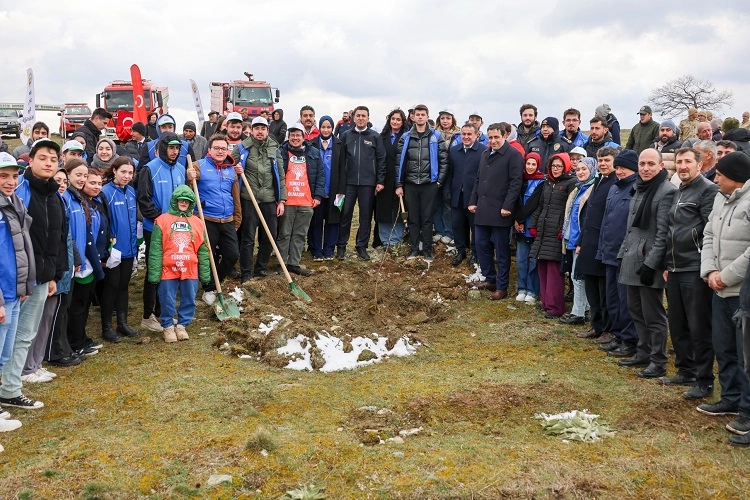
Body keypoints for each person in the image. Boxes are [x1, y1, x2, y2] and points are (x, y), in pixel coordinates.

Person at [1, 140, 68, 410]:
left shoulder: (55, 195)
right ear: (31, 161)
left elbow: (59, 237)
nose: (49, 163)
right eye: (43, 157)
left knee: (25, 335)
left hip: (41, 278)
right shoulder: (21, 190)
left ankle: (10, 389)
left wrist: (53, 275)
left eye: (53, 158)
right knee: (7, 339)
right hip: (16, 279)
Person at [698, 152, 750, 431]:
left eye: (720, 174)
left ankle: (747, 409)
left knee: (746, 355)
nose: (715, 178)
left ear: (736, 178)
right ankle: (729, 399)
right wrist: (709, 271)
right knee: (724, 348)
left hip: (743, 292)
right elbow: (708, 235)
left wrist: (726, 276)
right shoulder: (720, 197)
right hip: (718, 288)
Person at [662, 148, 719, 397]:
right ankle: (685, 370)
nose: (683, 166)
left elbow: (710, 231)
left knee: (699, 327)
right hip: (674, 267)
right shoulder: (678, 191)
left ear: (699, 164)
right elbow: (670, 230)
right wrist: (666, 262)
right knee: (677, 323)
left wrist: (707, 266)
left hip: (694, 267)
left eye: (687, 162)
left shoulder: (708, 190)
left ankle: (704, 379)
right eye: (679, 162)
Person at [617, 149, 676, 377]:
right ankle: (643, 352)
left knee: (654, 315)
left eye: (651, 163)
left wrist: (651, 264)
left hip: (649, 262)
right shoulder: (639, 188)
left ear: (661, 166)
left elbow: (663, 233)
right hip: (632, 258)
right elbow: (630, 226)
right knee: (636, 310)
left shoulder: (666, 191)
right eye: (642, 163)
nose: (645, 168)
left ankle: (658, 360)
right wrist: (623, 253)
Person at [138, 132, 198, 332]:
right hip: (155, 228)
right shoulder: (150, 169)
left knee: (170, 271)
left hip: (177, 232)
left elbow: (184, 200)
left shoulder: (181, 169)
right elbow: (144, 200)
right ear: (162, 148)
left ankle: (163, 312)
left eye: (177, 148)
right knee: (154, 270)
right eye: (171, 148)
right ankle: (148, 315)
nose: (174, 152)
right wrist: (162, 219)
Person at [468, 122, 523, 300]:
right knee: (481, 244)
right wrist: (473, 201)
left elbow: (516, 183)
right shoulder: (485, 154)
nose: (493, 140)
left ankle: (502, 286)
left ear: (504, 136)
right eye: (490, 137)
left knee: (501, 250)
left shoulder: (513, 155)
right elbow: (479, 180)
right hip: (483, 209)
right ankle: (490, 278)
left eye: (496, 137)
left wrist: (508, 206)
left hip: (501, 211)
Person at [148, 186, 210, 343]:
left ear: (192, 203)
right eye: (181, 200)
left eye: (188, 201)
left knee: (189, 297)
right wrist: (154, 274)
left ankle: (182, 325)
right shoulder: (162, 221)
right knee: (167, 298)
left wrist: (205, 274)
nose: (184, 202)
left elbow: (203, 250)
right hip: (168, 268)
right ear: (174, 201)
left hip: (190, 268)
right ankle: (168, 326)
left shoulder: (197, 223)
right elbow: (155, 249)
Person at [0, 153, 34, 436]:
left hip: (14, 291)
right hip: (2, 294)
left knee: (4, 354)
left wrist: (24, 286)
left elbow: (21, 250)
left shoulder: (15, 202)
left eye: (14, 176)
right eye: (3, 176)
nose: (10, 182)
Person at [232, 116, 285, 283]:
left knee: (271, 236)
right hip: (249, 199)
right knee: (247, 238)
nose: (260, 131)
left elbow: (281, 176)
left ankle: (260, 268)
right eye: (257, 128)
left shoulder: (275, 148)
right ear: (252, 130)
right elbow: (227, 167)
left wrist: (281, 200)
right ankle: (246, 273)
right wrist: (235, 168)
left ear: (267, 131)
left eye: (263, 128)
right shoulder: (241, 148)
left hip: (269, 199)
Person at [575, 146, 619, 339]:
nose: (602, 164)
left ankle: (609, 329)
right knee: (591, 287)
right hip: (589, 242)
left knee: (605, 291)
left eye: (606, 160)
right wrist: (581, 241)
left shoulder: (616, 183)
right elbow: (589, 214)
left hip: (605, 243)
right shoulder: (599, 180)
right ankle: (597, 325)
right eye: (600, 160)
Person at [396, 104, 448, 262]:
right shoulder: (405, 137)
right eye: (417, 114)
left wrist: (439, 182)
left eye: (422, 114)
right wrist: (399, 184)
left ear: (427, 116)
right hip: (411, 184)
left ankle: (427, 250)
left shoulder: (436, 136)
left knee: (427, 218)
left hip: (429, 184)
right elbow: (399, 163)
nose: (420, 117)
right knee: (413, 218)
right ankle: (413, 249)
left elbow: (444, 161)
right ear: (413, 117)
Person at [529, 153, 576, 317]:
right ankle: (546, 302)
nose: (555, 169)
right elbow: (541, 206)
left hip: (556, 232)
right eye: (553, 166)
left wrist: (563, 229)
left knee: (555, 271)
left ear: (566, 167)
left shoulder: (571, 183)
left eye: (559, 166)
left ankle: (556, 307)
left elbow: (569, 209)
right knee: (542, 268)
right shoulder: (547, 182)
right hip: (543, 231)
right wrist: (533, 225)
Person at [337, 106, 386, 261]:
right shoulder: (345, 135)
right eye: (358, 115)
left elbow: (381, 159)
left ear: (368, 118)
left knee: (365, 217)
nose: (360, 118)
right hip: (349, 183)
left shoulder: (375, 137)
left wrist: (380, 180)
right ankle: (341, 246)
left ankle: (361, 246)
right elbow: (340, 160)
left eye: (363, 116)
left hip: (368, 183)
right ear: (353, 118)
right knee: (345, 215)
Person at [196, 134, 241, 304]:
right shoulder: (198, 166)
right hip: (206, 218)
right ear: (209, 150)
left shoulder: (231, 169)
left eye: (224, 148)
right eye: (217, 148)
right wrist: (189, 174)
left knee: (232, 255)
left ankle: (216, 282)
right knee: (208, 256)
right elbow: (189, 186)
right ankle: (208, 289)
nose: (220, 151)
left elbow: (235, 196)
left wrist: (237, 218)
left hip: (227, 219)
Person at [99, 157, 140, 340]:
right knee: (111, 286)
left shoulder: (131, 192)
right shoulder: (106, 192)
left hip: (129, 248)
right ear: (114, 170)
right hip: (114, 249)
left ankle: (122, 323)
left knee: (124, 286)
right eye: (123, 172)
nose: (127, 176)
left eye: (130, 173)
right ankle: (107, 326)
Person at [276, 124, 325, 276]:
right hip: (287, 202)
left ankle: (294, 263)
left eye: (298, 135)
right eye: (292, 135)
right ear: (288, 137)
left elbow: (321, 175)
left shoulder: (314, 153)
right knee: (284, 234)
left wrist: (317, 196)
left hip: (306, 201)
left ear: (304, 137)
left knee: (299, 234)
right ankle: (281, 264)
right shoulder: (281, 152)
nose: (295, 138)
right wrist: (279, 199)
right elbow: (277, 176)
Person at [560, 158, 596, 325]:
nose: (580, 172)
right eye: (578, 169)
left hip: (582, 240)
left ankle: (578, 312)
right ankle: (586, 308)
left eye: (584, 169)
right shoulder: (578, 189)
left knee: (577, 276)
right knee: (577, 276)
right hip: (572, 238)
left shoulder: (592, 190)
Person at [447, 123, 487, 266]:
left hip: (474, 197)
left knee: (475, 227)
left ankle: (475, 253)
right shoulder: (453, 151)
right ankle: (461, 251)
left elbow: (484, 177)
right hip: (456, 195)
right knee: (457, 225)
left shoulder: (483, 151)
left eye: (469, 134)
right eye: (463, 134)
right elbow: (449, 174)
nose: (466, 137)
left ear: (476, 135)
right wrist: (448, 192)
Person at [308, 116, 346, 260]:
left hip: (335, 191)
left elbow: (343, 170)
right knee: (316, 221)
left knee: (333, 220)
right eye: (323, 127)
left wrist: (341, 192)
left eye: (328, 127)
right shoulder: (311, 144)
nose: (325, 130)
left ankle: (329, 249)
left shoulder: (339, 145)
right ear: (319, 128)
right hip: (316, 192)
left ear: (332, 128)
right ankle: (316, 249)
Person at [513, 152, 545, 303]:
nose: (530, 167)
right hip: (520, 226)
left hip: (533, 225)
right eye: (528, 163)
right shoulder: (520, 180)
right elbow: (515, 201)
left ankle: (533, 290)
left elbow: (534, 204)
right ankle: (522, 288)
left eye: (533, 164)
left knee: (533, 261)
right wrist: (516, 220)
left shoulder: (542, 182)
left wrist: (520, 218)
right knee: (521, 259)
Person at [374, 110, 408, 249]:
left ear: (402, 121)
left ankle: (395, 241)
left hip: (400, 178)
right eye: (393, 119)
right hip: (383, 178)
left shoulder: (406, 137)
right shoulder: (381, 137)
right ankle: (384, 240)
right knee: (383, 211)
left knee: (398, 210)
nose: (395, 122)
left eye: (398, 119)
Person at [433, 110, 461, 244]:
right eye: (442, 118)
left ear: (452, 119)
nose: (445, 121)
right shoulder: (433, 133)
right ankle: (439, 230)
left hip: (451, 174)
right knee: (436, 204)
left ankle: (449, 232)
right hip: (435, 173)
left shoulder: (459, 135)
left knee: (448, 204)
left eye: (448, 118)